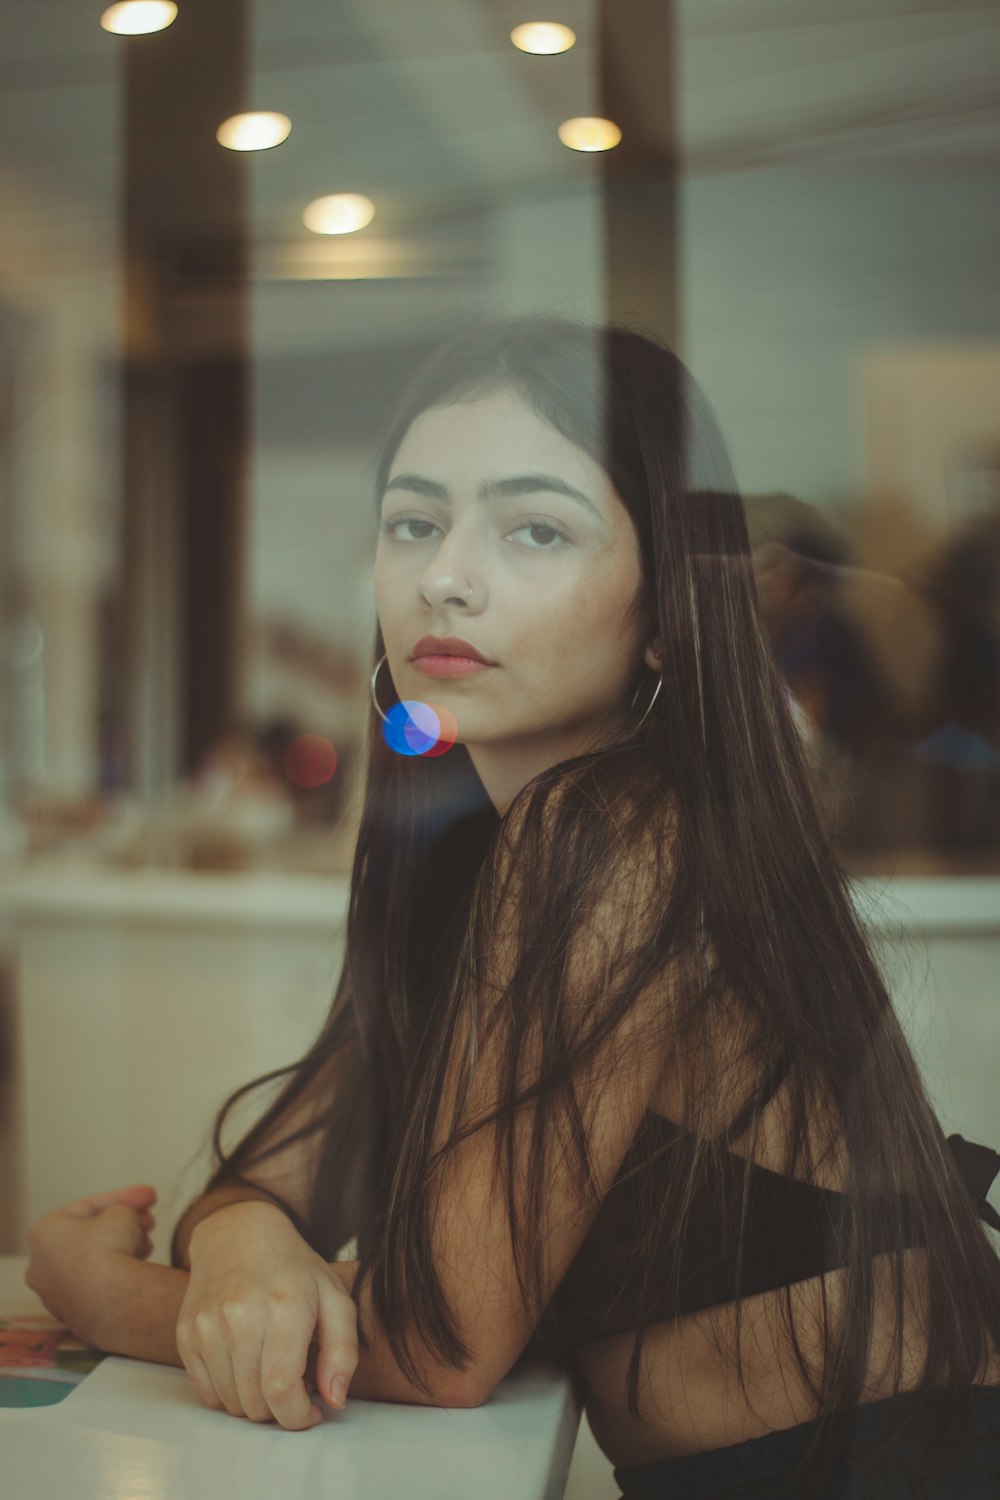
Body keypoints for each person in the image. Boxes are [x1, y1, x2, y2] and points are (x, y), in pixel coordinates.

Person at [25, 318, 1000, 1498]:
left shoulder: (613, 834)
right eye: (414, 523)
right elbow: (276, 1173)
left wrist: (94, 1290)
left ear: (660, 620)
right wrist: (241, 1248)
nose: (444, 575)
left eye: (535, 528)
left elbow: (436, 1347)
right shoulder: (475, 855)